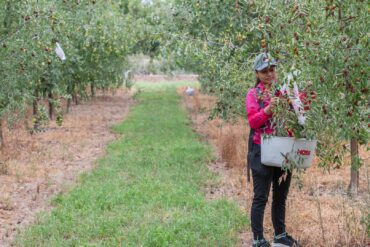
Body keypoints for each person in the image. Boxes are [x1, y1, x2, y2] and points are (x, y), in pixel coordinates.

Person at [246, 53, 301, 247]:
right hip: (261, 150)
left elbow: (299, 111)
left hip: (283, 149)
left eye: (272, 69)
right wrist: (268, 110)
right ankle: (258, 239)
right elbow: (253, 121)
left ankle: (280, 235)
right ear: (257, 73)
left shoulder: (283, 92)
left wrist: (303, 96)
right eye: (264, 71)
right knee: (261, 196)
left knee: (280, 195)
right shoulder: (254, 94)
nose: (269, 74)